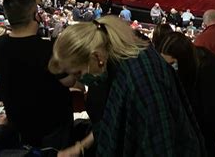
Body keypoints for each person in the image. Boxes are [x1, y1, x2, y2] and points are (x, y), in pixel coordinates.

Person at [49, 16, 205, 157]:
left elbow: (160, 145)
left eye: (78, 73)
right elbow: (114, 120)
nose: (80, 80)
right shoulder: (120, 64)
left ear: (96, 56)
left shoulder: (140, 77)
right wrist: (81, 147)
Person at [0, 0, 73, 151]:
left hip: (18, 122)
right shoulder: (46, 50)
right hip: (52, 125)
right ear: (36, 16)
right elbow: (69, 81)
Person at [156, 32, 215, 157]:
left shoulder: (210, 72)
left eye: (172, 65)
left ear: (183, 61)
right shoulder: (189, 62)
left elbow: (210, 122)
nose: (168, 70)